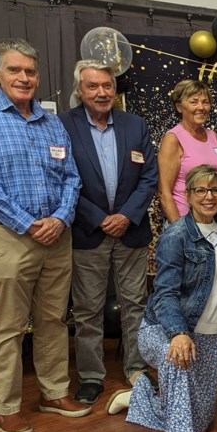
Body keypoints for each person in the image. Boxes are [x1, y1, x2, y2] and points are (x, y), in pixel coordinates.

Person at [0, 37, 90, 432]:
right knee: (9, 326)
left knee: (53, 320)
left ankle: (53, 393)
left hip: (56, 236)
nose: (24, 77)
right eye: (14, 70)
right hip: (8, 237)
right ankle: (7, 408)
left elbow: (72, 178)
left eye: (30, 71)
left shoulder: (52, 123)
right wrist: (29, 223)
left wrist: (60, 217)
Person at [106, 165, 217, 432]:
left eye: (215, 190)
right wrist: (178, 333)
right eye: (201, 190)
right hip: (165, 327)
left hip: (209, 333)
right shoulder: (177, 235)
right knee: (177, 362)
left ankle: (139, 397)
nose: (209, 197)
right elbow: (165, 293)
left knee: (202, 419)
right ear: (188, 195)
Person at [59, 59, 158, 405]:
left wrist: (127, 216)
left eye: (107, 86)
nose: (101, 92)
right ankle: (90, 375)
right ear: (80, 90)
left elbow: (149, 177)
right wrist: (100, 218)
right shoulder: (63, 125)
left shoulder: (135, 124)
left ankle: (136, 370)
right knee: (87, 310)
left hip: (130, 232)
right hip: (89, 231)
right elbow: (63, 179)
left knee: (136, 305)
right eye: (93, 86)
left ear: (115, 90)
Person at [157, 80, 217, 225]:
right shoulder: (173, 139)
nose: (201, 107)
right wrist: (180, 230)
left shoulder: (213, 136)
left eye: (205, 102)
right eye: (194, 102)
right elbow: (165, 193)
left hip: (213, 221)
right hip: (185, 221)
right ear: (179, 107)